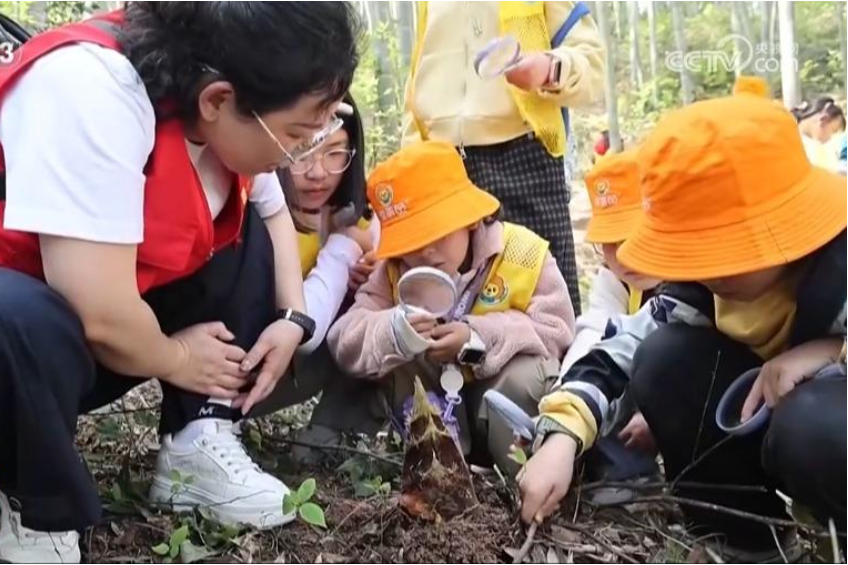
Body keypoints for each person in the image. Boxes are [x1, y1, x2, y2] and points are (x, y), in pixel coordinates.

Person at [0, 3, 359, 562]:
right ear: (219, 100)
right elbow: (100, 312)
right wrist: (176, 358)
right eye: (296, 135)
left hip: (61, 343)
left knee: (230, 231)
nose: (296, 154)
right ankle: (9, 499)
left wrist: (292, 317)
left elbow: (269, 212)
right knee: (3, 313)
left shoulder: (217, 94)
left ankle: (198, 440)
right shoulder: (91, 89)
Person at [518, 95, 846, 560]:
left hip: (826, 432)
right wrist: (561, 438)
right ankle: (744, 541)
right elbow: (619, 354)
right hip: (760, 437)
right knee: (663, 357)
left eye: (720, 250)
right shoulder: (699, 290)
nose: (706, 270)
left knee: (811, 424)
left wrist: (829, 351)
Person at [327, 140, 574, 476]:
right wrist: (396, 331)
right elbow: (344, 338)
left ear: (471, 219)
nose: (425, 252)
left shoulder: (523, 254)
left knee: (526, 374)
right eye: (412, 240)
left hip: (503, 412)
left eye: (437, 233)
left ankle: (525, 472)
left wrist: (477, 337)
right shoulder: (394, 271)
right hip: (437, 418)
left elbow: (558, 332)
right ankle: (438, 470)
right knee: (396, 354)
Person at [402, 1, 606, 315]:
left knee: (543, 304)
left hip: (523, 156)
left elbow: (591, 61)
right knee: (449, 307)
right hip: (441, 168)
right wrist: (410, 160)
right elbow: (417, 83)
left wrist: (549, 68)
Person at [247, 94, 384, 449]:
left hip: (315, 364)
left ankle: (335, 432)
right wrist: (343, 250)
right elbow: (304, 329)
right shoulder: (253, 214)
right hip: (247, 365)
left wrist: (377, 280)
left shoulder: (367, 215)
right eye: (302, 152)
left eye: (335, 152)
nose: (318, 172)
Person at [559, 148, 661, 503]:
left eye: (635, 235)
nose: (624, 254)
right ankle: (624, 472)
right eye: (612, 242)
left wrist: (657, 415)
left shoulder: (693, 280)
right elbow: (596, 333)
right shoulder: (616, 280)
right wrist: (563, 396)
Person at [793, 97, 847, 172]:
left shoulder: (806, 142)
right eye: (833, 131)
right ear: (823, 120)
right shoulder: (793, 141)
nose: (829, 138)